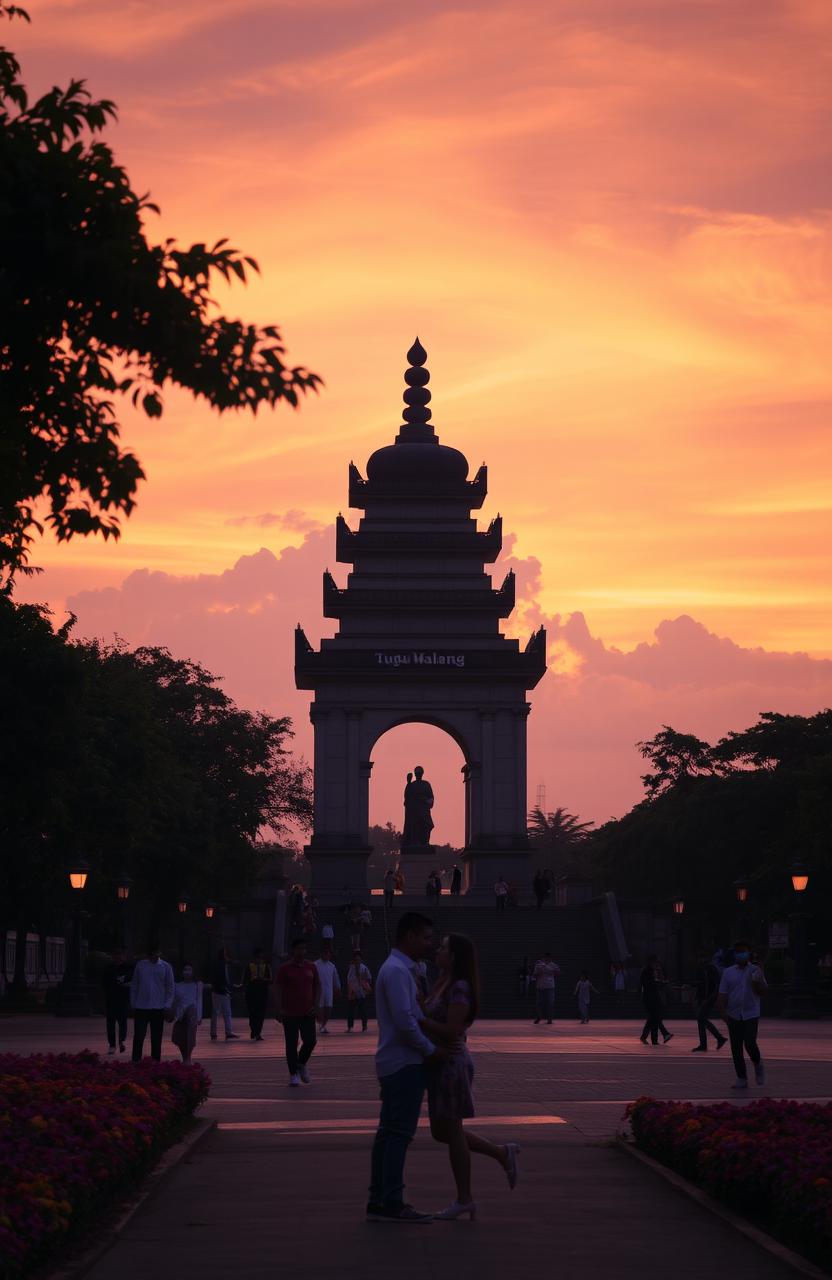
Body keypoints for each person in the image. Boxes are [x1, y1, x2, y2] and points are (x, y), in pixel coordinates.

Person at [419, 933, 520, 1219]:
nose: (437, 950)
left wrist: (418, 1019)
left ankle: (465, 1199)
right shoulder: (443, 983)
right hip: (438, 1063)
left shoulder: (460, 987)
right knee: (442, 1132)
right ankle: (502, 1154)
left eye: (443, 948)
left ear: (454, 957)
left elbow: (452, 1030)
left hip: (452, 1063)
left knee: (451, 1131)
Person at [367, 912, 440, 1223]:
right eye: (425, 938)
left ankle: (379, 1200)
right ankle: (392, 1201)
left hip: (395, 1061)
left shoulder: (398, 969)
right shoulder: (397, 971)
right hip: (404, 1063)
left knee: (387, 1134)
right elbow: (405, 1023)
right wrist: (430, 1050)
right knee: (398, 1134)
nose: (429, 944)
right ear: (409, 936)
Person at [717, 940, 767, 1090]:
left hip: (751, 1013)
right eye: (738, 952)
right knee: (736, 1047)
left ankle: (758, 1064)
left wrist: (757, 980)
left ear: (749, 953)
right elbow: (723, 993)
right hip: (734, 1014)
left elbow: (763, 992)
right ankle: (741, 1077)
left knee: (750, 1043)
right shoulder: (728, 972)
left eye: (743, 951)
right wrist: (722, 1011)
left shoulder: (755, 970)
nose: (741, 954)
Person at [275, 937, 320, 1086]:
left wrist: (316, 1004)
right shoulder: (285, 969)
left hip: (308, 1012)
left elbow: (317, 986)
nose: (302, 951)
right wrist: (278, 1008)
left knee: (310, 1040)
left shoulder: (311, 967)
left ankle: (301, 1063)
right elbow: (278, 989)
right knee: (291, 1043)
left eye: (304, 949)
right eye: (299, 948)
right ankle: (293, 1074)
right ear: (293, 950)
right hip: (289, 1013)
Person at [130, 943, 174, 1063]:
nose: (154, 955)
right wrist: (133, 1003)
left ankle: (155, 1061)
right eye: (151, 953)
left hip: (158, 1007)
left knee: (156, 1037)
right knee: (139, 1035)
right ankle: (136, 1060)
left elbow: (170, 987)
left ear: (160, 953)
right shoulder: (141, 966)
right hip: (141, 1006)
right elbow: (135, 985)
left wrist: (167, 1005)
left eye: (156, 952)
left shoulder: (166, 967)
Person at [692, 950, 727, 1052]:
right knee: (701, 1020)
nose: (700, 960)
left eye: (702, 957)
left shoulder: (711, 969)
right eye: (699, 957)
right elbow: (700, 984)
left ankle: (718, 1039)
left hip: (709, 998)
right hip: (702, 998)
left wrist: (709, 998)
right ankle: (708, 1043)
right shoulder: (701, 969)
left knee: (701, 1018)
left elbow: (715, 985)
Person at [171, 963, 203, 1064]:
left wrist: (199, 1016)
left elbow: (199, 1000)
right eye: (185, 970)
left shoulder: (197, 985)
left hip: (192, 1016)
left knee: (190, 1035)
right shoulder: (177, 986)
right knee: (181, 1037)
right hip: (180, 1015)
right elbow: (175, 1001)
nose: (187, 972)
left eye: (189, 970)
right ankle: (185, 1057)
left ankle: (188, 1057)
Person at [102, 947, 132, 1055]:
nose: (118, 957)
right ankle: (112, 1045)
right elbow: (104, 984)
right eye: (116, 955)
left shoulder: (129, 968)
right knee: (110, 1023)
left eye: (121, 954)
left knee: (122, 1022)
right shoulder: (109, 968)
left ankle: (121, 1041)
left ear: (124, 956)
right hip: (111, 999)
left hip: (123, 999)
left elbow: (132, 981)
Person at [639, 955, 673, 1045]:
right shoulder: (646, 971)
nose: (657, 964)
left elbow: (655, 985)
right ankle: (661, 1035)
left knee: (653, 1018)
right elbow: (647, 984)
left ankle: (650, 1038)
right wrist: (659, 982)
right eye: (655, 962)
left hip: (653, 997)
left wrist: (662, 983)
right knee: (655, 1017)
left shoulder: (651, 971)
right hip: (649, 998)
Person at [210, 946, 240, 1041]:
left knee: (225, 1012)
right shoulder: (220, 965)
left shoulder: (226, 966)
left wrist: (230, 987)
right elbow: (218, 979)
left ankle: (226, 1032)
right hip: (219, 991)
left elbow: (227, 979)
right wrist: (223, 987)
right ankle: (216, 1032)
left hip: (224, 991)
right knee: (218, 1012)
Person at [244, 947, 273, 1041]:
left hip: (262, 993)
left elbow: (271, 980)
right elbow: (245, 980)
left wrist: (263, 980)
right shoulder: (249, 966)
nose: (259, 959)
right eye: (258, 957)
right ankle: (254, 1030)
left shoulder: (266, 966)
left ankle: (257, 1033)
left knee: (260, 1014)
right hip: (251, 993)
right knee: (253, 1014)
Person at [314, 945, 341, 1034]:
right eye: (325, 953)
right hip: (318, 990)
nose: (326, 955)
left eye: (328, 953)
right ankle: (321, 1025)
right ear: (321, 954)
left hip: (329, 990)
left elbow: (335, 978)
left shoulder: (332, 966)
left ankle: (323, 1025)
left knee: (328, 1009)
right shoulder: (315, 964)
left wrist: (337, 988)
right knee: (320, 1008)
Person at [346, 950, 372, 1032]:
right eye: (356, 960)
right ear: (353, 960)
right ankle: (350, 1027)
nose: (357, 961)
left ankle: (364, 1026)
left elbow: (369, 978)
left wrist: (365, 987)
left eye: (359, 960)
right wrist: (350, 991)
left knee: (363, 1010)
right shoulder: (351, 968)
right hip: (353, 992)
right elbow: (349, 980)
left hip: (361, 992)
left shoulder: (364, 968)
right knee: (351, 1011)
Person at [533, 952, 560, 1024]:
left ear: (550, 958)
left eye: (548, 958)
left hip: (550, 986)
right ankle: (539, 1017)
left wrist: (551, 970)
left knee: (550, 1003)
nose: (546, 959)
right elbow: (534, 975)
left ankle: (550, 1018)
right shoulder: (538, 964)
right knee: (539, 1003)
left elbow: (558, 973)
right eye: (545, 958)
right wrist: (539, 971)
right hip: (540, 986)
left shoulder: (553, 965)